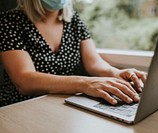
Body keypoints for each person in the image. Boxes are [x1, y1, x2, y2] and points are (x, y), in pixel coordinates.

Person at [0, 0, 147, 107]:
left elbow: (94, 63)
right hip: (20, 108)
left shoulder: (74, 21)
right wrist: (85, 83)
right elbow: (24, 81)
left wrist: (116, 73)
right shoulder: (8, 22)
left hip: (63, 104)